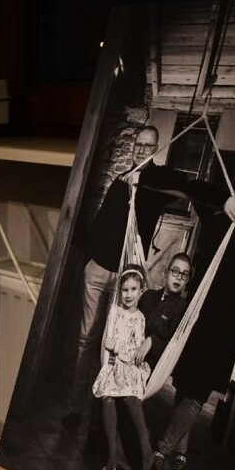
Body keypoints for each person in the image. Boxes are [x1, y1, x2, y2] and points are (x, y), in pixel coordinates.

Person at [153, 154, 235, 470]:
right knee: (185, 380)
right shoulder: (221, 206)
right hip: (200, 305)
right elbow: (196, 189)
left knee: (200, 387)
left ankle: (162, 449)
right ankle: (179, 457)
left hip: (225, 315)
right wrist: (224, 200)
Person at [69, 125, 188, 418]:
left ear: (155, 150)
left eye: (148, 146)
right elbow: (102, 221)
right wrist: (90, 258)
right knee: (86, 339)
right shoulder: (120, 181)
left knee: (115, 344)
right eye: (138, 145)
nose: (141, 150)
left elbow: (182, 186)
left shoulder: (153, 185)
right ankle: (77, 407)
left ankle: (102, 411)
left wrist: (143, 179)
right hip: (97, 270)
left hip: (126, 279)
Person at [93, 265, 157, 470]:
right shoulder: (114, 312)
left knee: (132, 408)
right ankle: (110, 467)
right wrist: (112, 350)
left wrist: (117, 349)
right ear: (120, 291)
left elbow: (133, 352)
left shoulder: (140, 318)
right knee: (107, 404)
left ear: (141, 291)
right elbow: (107, 342)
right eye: (125, 290)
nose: (129, 294)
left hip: (129, 370)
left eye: (133, 290)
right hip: (112, 370)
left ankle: (145, 454)